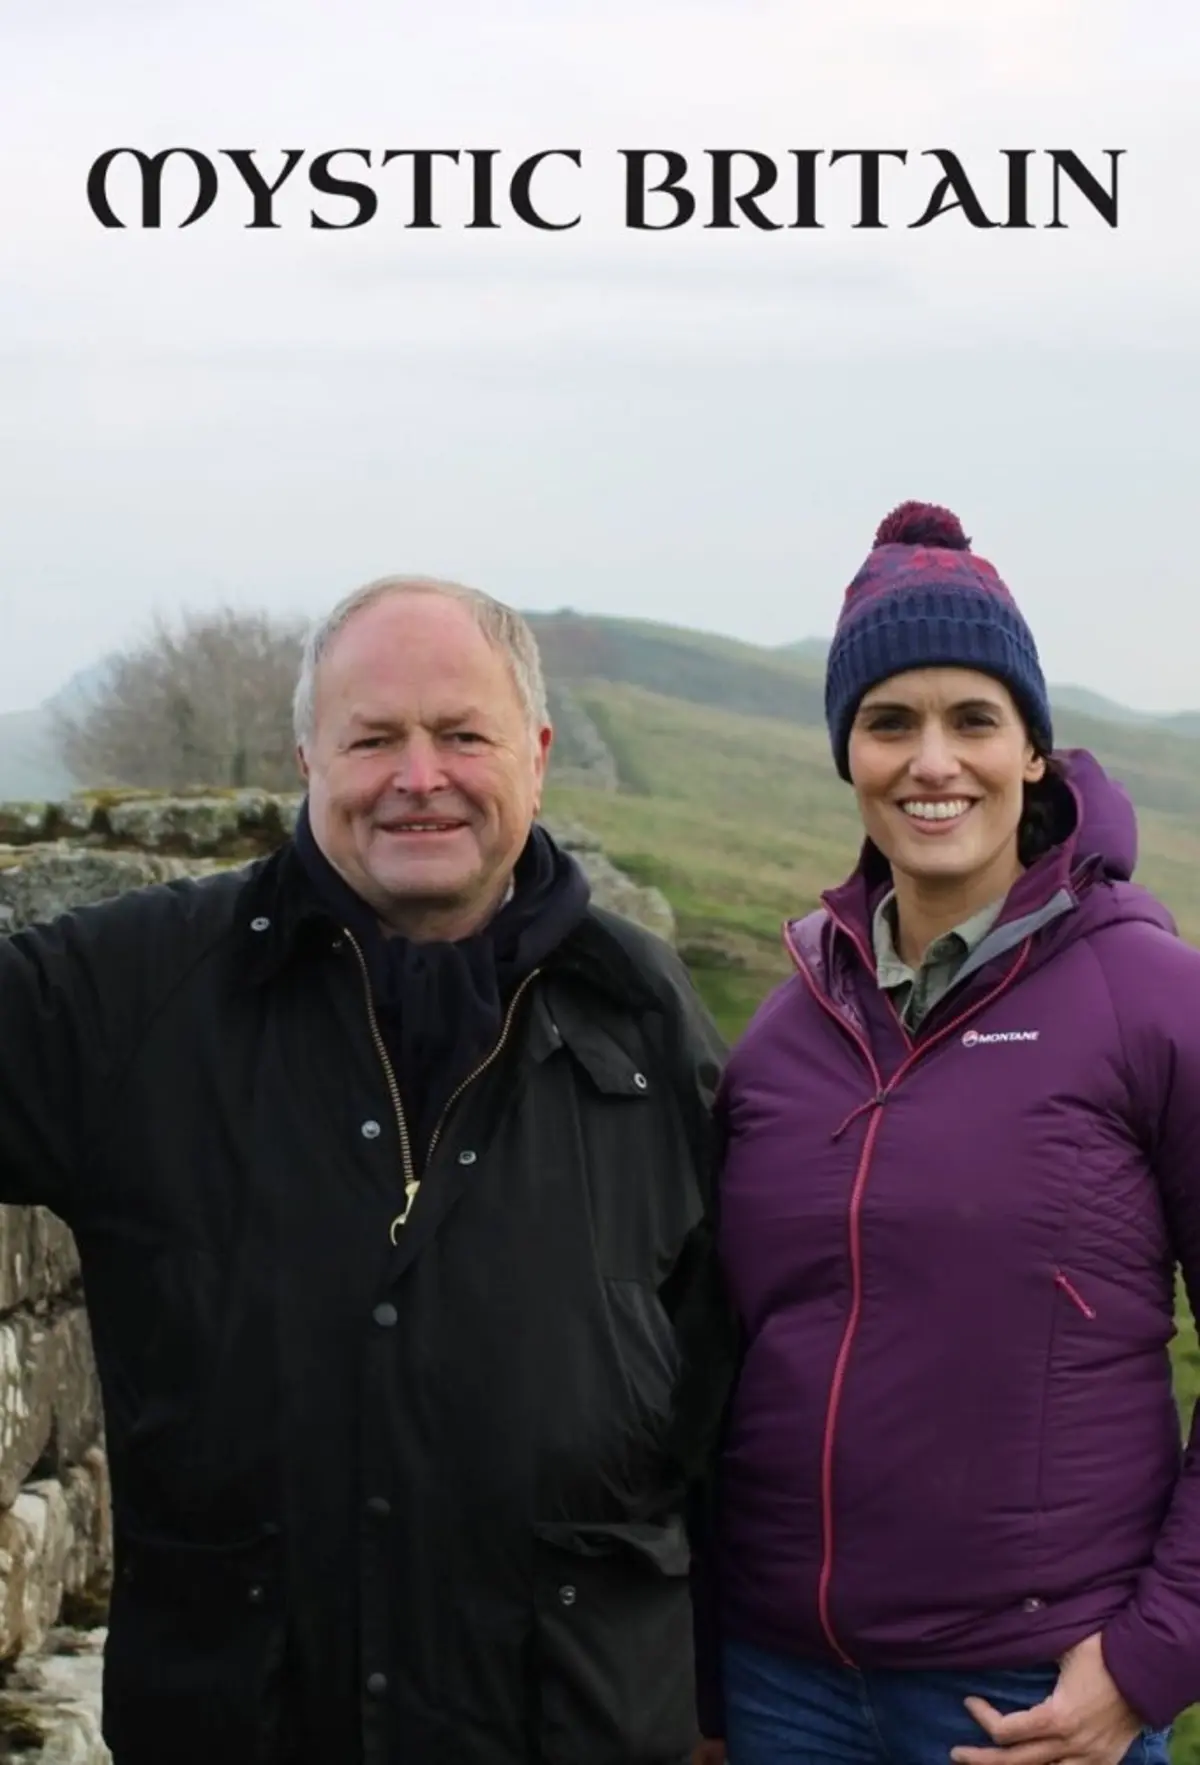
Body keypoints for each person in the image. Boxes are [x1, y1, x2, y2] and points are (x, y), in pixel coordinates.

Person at [0, 576, 736, 1765]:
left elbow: (743, 1390)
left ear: (537, 754)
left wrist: (722, 1703)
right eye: (373, 738)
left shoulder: (647, 1014)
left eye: (462, 735)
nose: (419, 775)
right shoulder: (136, 997)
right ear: (309, 758)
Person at [694, 503, 1200, 1765]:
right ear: (848, 753)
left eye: (973, 720)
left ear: (1033, 751)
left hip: (1025, 1697)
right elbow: (715, 1360)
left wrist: (1152, 1658)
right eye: (889, 722)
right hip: (777, 1685)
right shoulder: (786, 1032)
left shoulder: (1151, 998)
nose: (933, 762)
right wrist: (702, 1672)